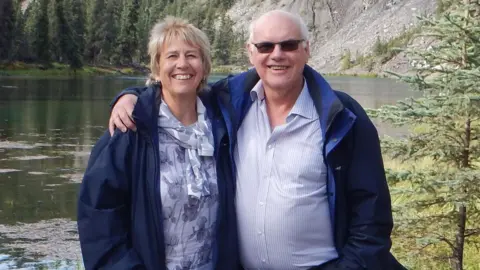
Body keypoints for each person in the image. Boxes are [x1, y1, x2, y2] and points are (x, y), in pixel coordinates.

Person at [109, 10, 405, 270]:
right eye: (265, 46)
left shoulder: (342, 116)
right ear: (250, 53)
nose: (277, 54)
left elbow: (372, 215)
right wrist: (130, 97)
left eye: (288, 45)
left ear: (306, 50)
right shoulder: (229, 105)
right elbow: (178, 86)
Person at [77, 17, 239, 270]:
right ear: (156, 67)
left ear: (205, 67)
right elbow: (99, 222)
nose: (182, 64)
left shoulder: (223, 124)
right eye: (172, 56)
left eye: (192, 56)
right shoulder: (129, 130)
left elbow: (268, 71)